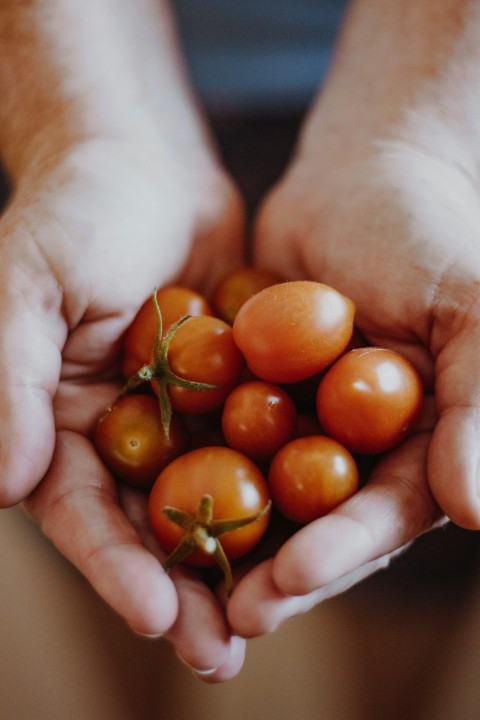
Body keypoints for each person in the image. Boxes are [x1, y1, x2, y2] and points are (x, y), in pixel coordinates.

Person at [0, 0, 480, 686]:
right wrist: (80, 127)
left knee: (412, 590)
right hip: (88, 68)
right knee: (112, 580)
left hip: (435, 83)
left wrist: (420, 133)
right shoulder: (204, 357)